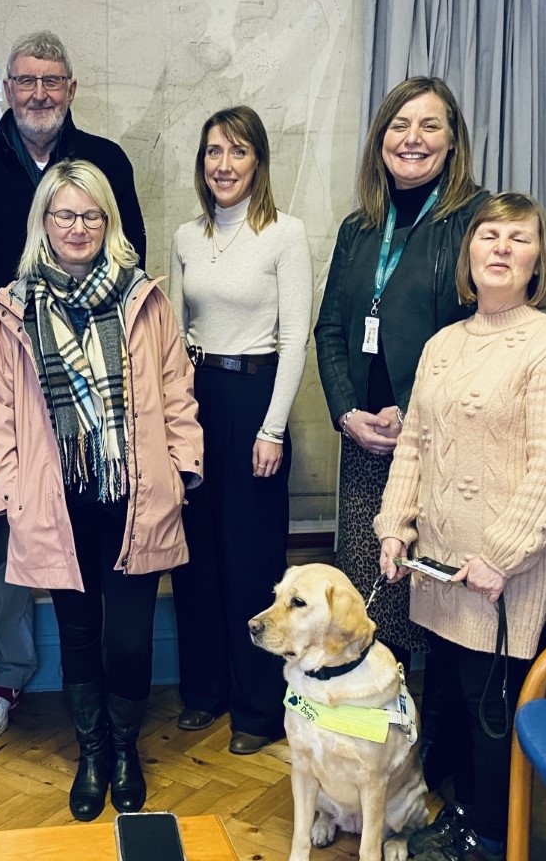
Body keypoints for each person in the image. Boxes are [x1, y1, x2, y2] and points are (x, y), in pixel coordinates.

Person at [374, 193, 546, 861]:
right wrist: (393, 525)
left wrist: (501, 555)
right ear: (469, 254)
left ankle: (495, 838)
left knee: (488, 712)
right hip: (440, 564)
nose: (500, 247)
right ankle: (463, 817)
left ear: (537, 260)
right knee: (447, 699)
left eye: (518, 238)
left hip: (506, 572)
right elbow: (414, 443)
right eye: (489, 234)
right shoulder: (444, 343)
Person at [0, 30, 148, 739]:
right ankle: (7, 674)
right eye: (26, 80)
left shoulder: (107, 162)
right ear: (7, 88)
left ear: (70, 88)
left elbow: (133, 270)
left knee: (95, 569)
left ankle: (105, 725)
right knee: (16, 545)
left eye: (52, 81)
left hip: (99, 394)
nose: (39, 93)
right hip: (13, 371)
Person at [0, 159, 202, 821]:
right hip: (57, 499)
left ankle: (126, 750)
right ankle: (91, 752)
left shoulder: (146, 297)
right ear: (43, 224)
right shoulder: (11, 307)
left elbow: (176, 388)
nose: (77, 228)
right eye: (64, 215)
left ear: (108, 222)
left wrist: (182, 469)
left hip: (137, 494)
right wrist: (12, 495)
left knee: (130, 639)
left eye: (90, 215)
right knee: (78, 633)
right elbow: (0, 414)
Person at [314, 76, 489, 665]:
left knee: (440, 601)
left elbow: (480, 338)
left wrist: (411, 411)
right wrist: (345, 414)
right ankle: (374, 732)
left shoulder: (475, 222)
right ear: (381, 139)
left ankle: (435, 745)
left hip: (444, 443)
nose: (412, 138)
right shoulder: (358, 227)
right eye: (399, 124)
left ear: (452, 140)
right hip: (367, 440)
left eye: (429, 125)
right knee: (371, 601)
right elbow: (331, 330)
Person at [167, 106, 312, 755]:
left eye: (238, 152)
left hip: (258, 399)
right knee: (196, 557)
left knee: (252, 565)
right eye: (212, 152)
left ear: (259, 163)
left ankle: (258, 711)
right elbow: (172, 337)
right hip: (198, 399)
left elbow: (296, 339)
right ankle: (205, 693)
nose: (223, 165)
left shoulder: (285, 233)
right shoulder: (186, 237)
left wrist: (274, 428)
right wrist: (172, 424)